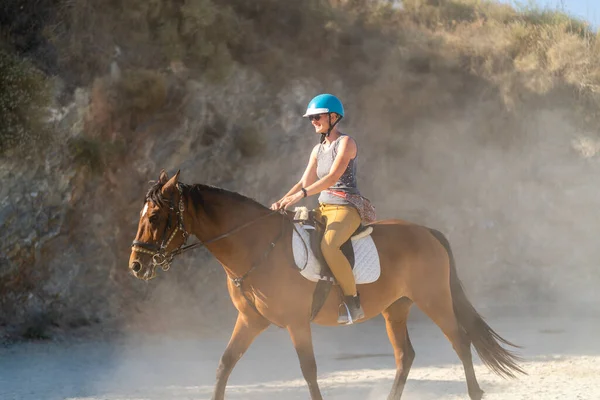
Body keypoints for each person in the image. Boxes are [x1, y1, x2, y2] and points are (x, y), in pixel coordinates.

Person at [271, 94, 365, 325]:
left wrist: (301, 196)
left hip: (346, 207)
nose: (313, 121)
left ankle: (353, 301)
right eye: (310, 118)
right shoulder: (317, 149)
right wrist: (283, 200)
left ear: (333, 117)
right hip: (323, 207)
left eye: (316, 116)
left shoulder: (346, 143)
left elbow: (333, 176)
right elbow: (304, 182)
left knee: (329, 246)